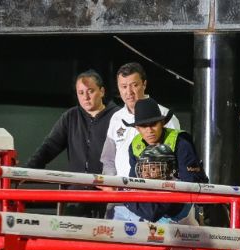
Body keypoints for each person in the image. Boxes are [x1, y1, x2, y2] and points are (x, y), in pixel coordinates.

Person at [26, 69, 118, 215]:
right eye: (81, 93)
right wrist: (26, 172)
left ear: (102, 91)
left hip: (108, 195)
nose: (86, 97)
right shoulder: (70, 116)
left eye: (90, 91)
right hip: (76, 195)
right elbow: (49, 147)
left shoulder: (117, 117)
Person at [114, 97, 207, 224]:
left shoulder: (180, 143)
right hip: (150, 205)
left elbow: (191, 183)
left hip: (181, 209)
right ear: (137, 128)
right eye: (143, 126)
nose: (149, 130)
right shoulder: (134, 146)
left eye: (153, 124)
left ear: (162, 123)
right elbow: (134, 182)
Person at [100, 62, 180, 177]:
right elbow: (108, 160)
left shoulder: (165, 116)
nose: (129, 92)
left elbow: (175, 157)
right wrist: (109, 183)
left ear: (144, 84)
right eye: (124, 86)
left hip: (154, 190)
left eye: (134, 85)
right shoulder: (116, 118)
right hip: (120, 191)